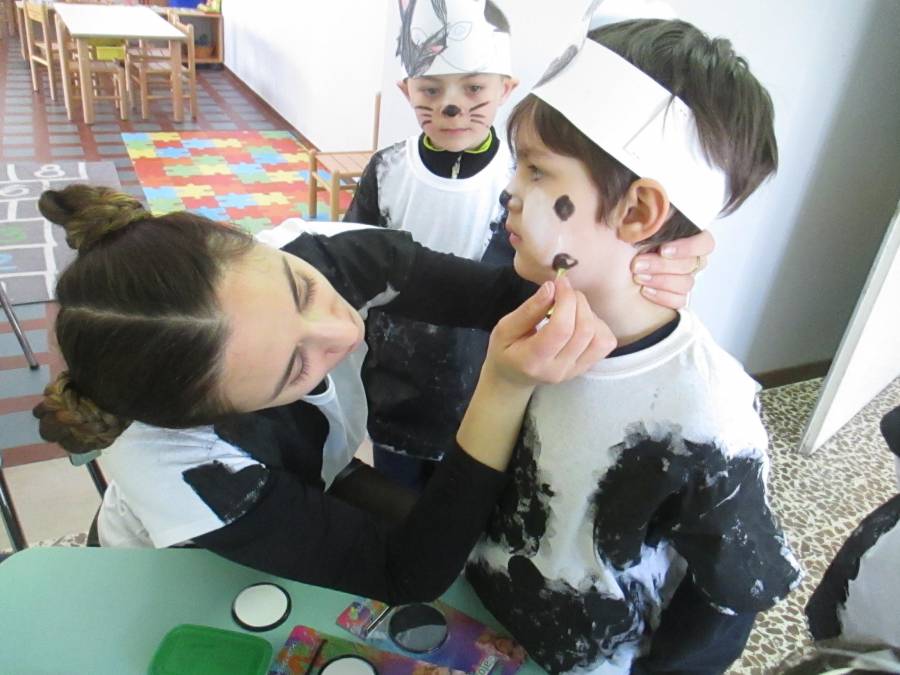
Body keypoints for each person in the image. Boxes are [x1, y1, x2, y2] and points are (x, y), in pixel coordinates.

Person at [32, 183, 615, 605]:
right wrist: (501, 388)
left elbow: (500, 296)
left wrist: (622, 261)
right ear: (216, 415)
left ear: (244, 240)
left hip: (317, 472)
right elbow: (405, 575)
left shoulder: (314, 251)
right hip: (173, 574)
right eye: (295, 369)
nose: (344, 332)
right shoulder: (181, 466)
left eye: (303, 292)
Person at [465, 19, 802, 674]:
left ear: (640, 212)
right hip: (473, 609)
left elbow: (726, 599)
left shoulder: (707, 413)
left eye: (536, 170)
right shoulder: (532, 311)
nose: (510, 190)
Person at [346, 0, 714, 490]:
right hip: (394, 392)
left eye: (536, 170)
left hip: (488, 399)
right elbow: (356, 263)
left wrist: (657, 256)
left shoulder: (696, 409)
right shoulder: (390, 170)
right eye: (431, 89)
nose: (451, 105)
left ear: (504, 89)